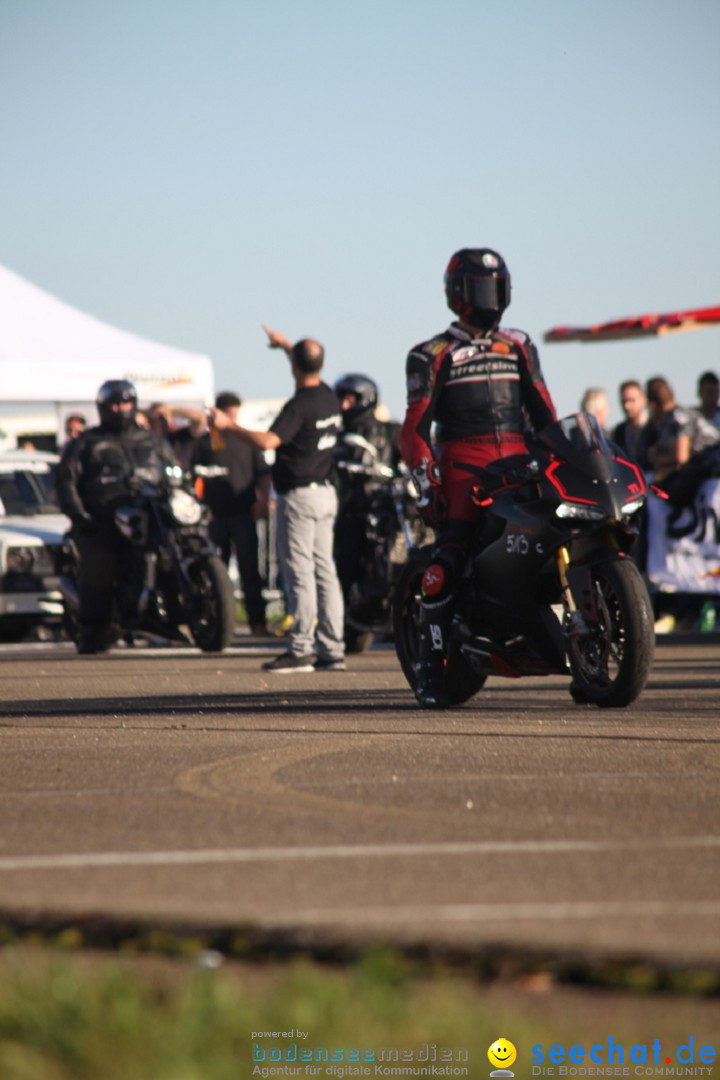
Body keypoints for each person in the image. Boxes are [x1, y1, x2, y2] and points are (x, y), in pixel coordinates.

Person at [399, 247, 557, 707]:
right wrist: (427, 483)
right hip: (463, 470)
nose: (490, 295)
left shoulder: (520, 345)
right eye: (481, 287)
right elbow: (413, 429)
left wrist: (564, 458)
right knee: (447, 561)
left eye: (496, 285)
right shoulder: (431, 352)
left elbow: (547, 416)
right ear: (458, 294)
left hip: (521, 463)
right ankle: (430, 672)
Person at [209, 327, 345, 672]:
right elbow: (306, 367)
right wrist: (287, 346)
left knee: (300, 574)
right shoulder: (328, 396)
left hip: (299, 497)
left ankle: (300, 650)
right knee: (325, 572)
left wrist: (228, 425)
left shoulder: (298, 406)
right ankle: (332, 650)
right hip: (326, 494)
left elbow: (268, 441)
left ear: (294, 367)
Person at [56, 379, 177, 654]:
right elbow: (66, 482)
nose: (121, 408)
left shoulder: (152, 440)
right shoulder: (86, 443)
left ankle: (175, 610)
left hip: (150, 512)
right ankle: (91, 627)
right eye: (115, 403)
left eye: (126, 402)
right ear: (103, 407)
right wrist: (79, 516)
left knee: (175, 544)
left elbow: (174, 471)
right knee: (100, 556)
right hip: (103, 517)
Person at [192, 391, 271, 635]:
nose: (231, 419)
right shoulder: (205, 443)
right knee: (216, 572)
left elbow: (264, 474)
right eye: (227, 414)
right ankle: (219, 624)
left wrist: (263, 501)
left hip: (243, 514)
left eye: (234, 415)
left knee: (250, 571)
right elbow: (194, 479)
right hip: (215, 517)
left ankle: (257, 623)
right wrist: (200, 507)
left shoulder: (247, 441)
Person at [644, 376, 692, 482]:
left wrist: (656, 459)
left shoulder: (679, 417)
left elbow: (681, 457)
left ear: (652, 405)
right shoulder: (666, 421)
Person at [145, 402, 207, 470]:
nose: (161, 422)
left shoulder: (180, 436)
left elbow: (200, 418)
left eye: (162, 418)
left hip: (182, 477)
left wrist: (169, 410)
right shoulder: (146, 440)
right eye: (156, 420)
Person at [612, 379, 651, 471]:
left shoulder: (655, 428)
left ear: (643, 399)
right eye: (623, 401)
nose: (627, 406)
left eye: (631, 401)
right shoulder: (619, 431)